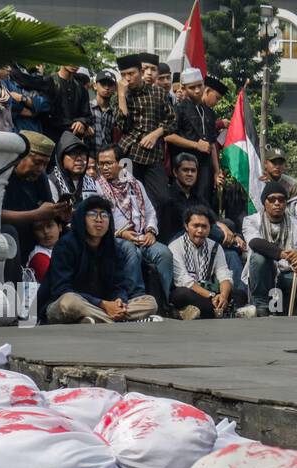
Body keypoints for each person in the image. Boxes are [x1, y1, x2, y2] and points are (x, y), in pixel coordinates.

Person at [44, 196, 157, 323]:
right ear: (82, 218)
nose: (99, 220)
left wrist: (119, 300)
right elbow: (61, 290)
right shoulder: (65, 245)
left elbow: (119, 284)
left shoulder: (113, 247)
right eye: (92, 214)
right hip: (68, 305)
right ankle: (117, 319)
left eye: (104, 215)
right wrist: (102, 304)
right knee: (70, 301)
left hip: (102, 306)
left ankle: (96, 319)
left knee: (150, 302)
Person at [91, 144, 173, 303]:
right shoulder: (97, 187)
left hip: (142, 236)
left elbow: (150, 211)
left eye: (109, 163)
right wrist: (121, 233)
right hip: (115, 237)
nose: (104, 167)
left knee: (164, 253)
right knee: (131, 251)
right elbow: (97, 221)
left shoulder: (135, 184)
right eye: (101, 164)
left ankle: (165, 300)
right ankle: (137, 298)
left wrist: (150, 231)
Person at [243, 180, 297, 314]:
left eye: (281, 199)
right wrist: (284, 254)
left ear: (285, 203)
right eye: (272, 199)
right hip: (266, 274)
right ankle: (261, 305)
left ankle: (291, 307)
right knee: (258, 258)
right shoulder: (251, 220)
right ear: (264, 202)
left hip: (288, 274)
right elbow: (254, 242)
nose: (277, 203)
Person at [0, 132, 70, 278]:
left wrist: (60, 214)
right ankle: (14, 293)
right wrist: (35, 215)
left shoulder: (40, 177)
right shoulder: (2, 174)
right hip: (4, 234)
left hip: (34, 235)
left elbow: (46, 214)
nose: (41, 169)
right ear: (20, 156)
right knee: (10, 232)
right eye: (37, 162)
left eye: (45, 164)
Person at [115, 53, 175, 206]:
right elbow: (123, 126)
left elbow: (173, 121)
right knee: (125, 197)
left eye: (131, 73)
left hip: (153, 155)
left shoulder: (158, 93)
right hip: (127, 153)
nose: (128, 78)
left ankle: (153, 229)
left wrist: (156, 133)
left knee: (162, 199)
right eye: (124, 75)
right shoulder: (122, 96)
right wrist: (121, 95)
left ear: (141, 73)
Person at [165, 70, 226, 205]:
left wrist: (217, 171)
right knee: (183, 203)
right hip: (185, 165)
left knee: (203, 202)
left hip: (205, 167)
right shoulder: (178, 109)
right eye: (192, 87)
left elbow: (212, 143)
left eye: (199, 86)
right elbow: (168, 136)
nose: (197, 90)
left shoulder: (209, 112)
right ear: (184, 89)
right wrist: (195, 145)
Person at [169, 204, 234, 319]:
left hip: (210, 292)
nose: (200, 230)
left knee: (239, 294)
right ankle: (225, 311)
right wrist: (211, 296)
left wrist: (223, 295)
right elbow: (184, 280)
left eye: (204, 226)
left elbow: (224, 274)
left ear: (210, 228)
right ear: (186, 226)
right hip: (190, 292)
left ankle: (208, 310)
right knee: (181, 294)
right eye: (195, 226)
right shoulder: (175, 246)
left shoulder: (215, 247)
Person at [42, 63, 93, 152]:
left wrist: (82, 122)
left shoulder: (81, 88)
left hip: (73, 142)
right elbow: (47, 114)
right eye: (70, 59)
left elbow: (87, 115)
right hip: (51, 141)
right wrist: (74, 125)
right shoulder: (49, 81)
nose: (74, 63)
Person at [46, 132, 91, 217]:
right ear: (61, 157)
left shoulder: (91, 181)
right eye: (73, 154)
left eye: (83, 154)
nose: (79, 159)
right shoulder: (52, 182)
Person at [4, 68, 51, 134]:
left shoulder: (39, 79)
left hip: (36, 131)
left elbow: (46, 105)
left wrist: (23, 99)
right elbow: (8, 102)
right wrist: (32, 111)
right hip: (16, 130)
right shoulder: (8, 77)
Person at [90, 71, 117, 155]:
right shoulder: (87, 108)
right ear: (95, 86)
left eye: (110, 85)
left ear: (115, 88)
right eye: (103, 84)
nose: (106, 87)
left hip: (106, 159)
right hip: (88, 157)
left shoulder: (114, 113)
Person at [27, 218, 60, 282]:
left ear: (60, 227)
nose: (46, 231)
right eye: (39, 228)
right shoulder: (38, 256)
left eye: (49, 226)